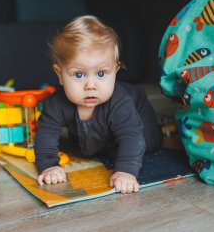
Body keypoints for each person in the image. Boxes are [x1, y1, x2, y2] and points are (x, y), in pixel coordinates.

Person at [34, 15, 163, 194]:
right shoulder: (56, 104)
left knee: (148, 143)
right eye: (79, 75)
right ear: (60, 74)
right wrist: (48, 166)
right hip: (96, 133)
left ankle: (156, 128)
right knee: (88, 149)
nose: (91, 85)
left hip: (137, 109)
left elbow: (132, 136)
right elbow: (45, 135)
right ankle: (106, 142)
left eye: (101, 73)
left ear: (115, 71)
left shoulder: (120, 102)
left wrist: (125, 171)